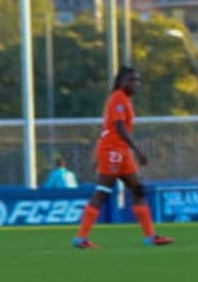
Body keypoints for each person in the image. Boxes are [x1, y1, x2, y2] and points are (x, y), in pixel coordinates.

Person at [70, 67, 175, 249]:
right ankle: (80, 238)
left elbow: (109, 128)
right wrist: (137, 150)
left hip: (122, 152)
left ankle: (150, 237)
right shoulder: (118, 98)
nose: (136, 84)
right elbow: (118, 127)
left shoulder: (124, 99)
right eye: (132, 80)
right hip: (112, 151)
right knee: (102, 193)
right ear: (122, 81)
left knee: (137, 190)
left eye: (138, 80)